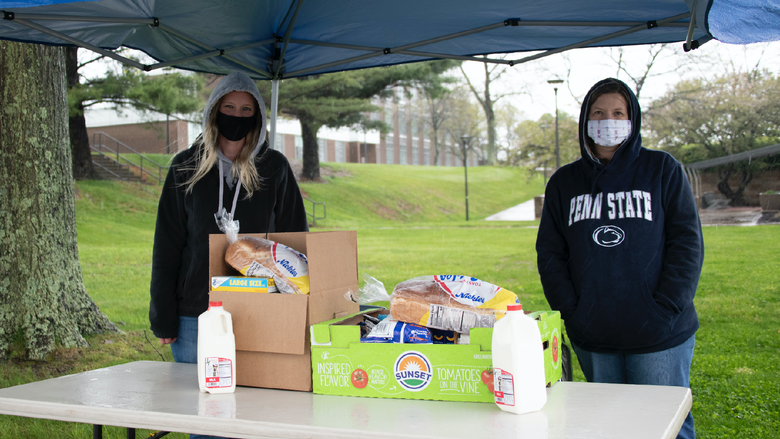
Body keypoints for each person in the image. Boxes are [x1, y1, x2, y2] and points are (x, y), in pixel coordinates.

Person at [536, 78, 703, 439]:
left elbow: (686, 242)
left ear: (632, 119)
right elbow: (550, 253)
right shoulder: (564, 183)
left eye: (617, 112)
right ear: (585, 121)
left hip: (660, 333)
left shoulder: (662, 170)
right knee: (609, 425)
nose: (607, 120)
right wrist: (573, 311)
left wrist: (666, 307)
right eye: (598, 113)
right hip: (595, 333)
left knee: (667, 424)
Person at [150, 71, 309, 365]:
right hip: (195, 314)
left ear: (257, 116)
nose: (237, 116)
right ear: (214, 111)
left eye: (246, 109)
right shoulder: (185, 165)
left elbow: (296, 238)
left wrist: (300, 308)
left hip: (260, 308)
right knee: (196, 401)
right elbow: (167, 245)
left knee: (253, 401)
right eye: (229, 108)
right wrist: (162, 314)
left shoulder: (274, 166)